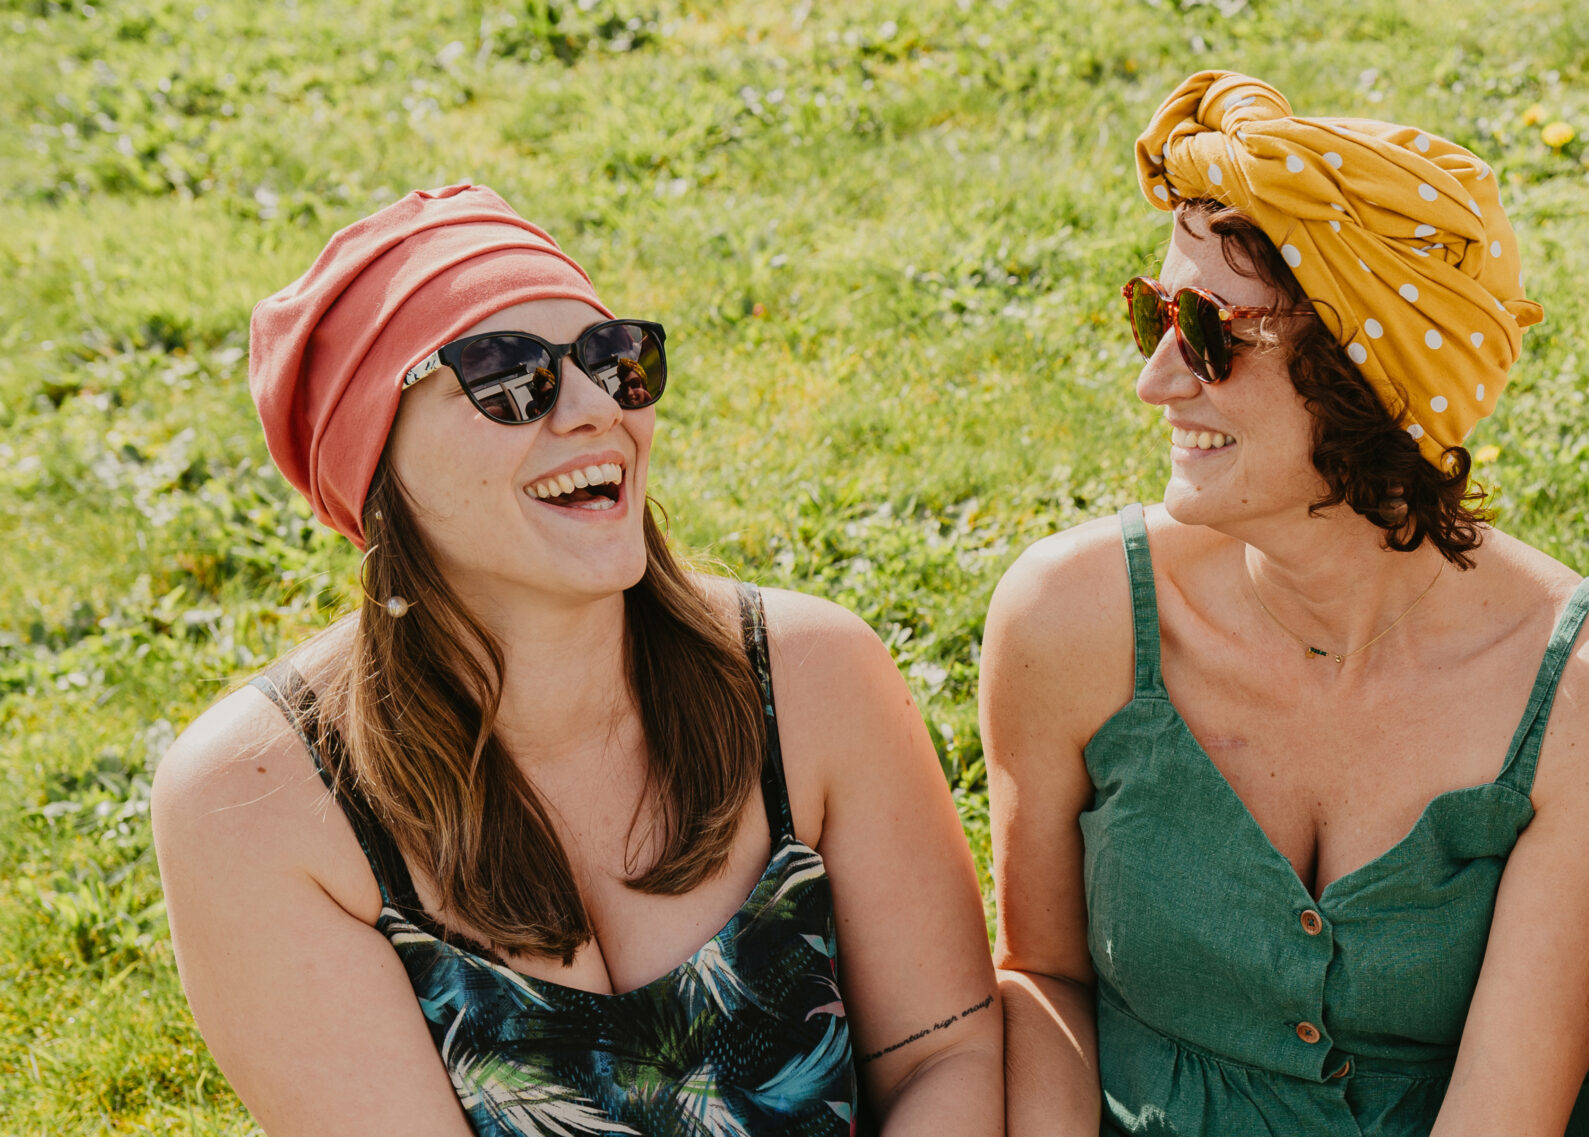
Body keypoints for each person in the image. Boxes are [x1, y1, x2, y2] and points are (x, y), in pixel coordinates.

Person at [150, 185, 1001, 1136]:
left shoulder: (810, 679)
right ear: (374, 460)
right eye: (510, 377)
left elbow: (945, 1055)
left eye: (615, 360)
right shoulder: (261, 804)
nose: (598, 407)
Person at [983, 72, 1589, 1136]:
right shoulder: (1071, 621)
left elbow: (1504, 1112)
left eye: (1211, 334)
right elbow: (1041, 981)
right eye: (1153, 317)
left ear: (1369, 376)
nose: (1160, 381)